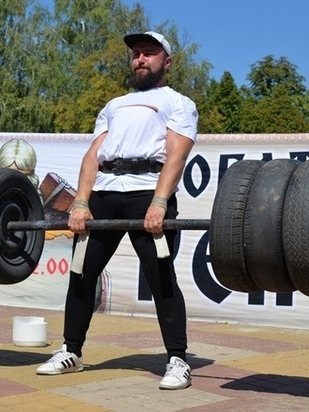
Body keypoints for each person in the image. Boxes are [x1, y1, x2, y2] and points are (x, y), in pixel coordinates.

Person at [36, 31, 198, 390]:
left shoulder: (178, 103)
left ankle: (177, 359)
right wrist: (80, 201)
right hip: (106, 194)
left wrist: (159, 201)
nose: (140, 59)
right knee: (80, 272)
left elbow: (177, 154)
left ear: (166, 62)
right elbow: (93, 155)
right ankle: (71, 351)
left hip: (147, 192)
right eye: (136, 54)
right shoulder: (113, 105)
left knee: (160, 277)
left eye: (149, 54)